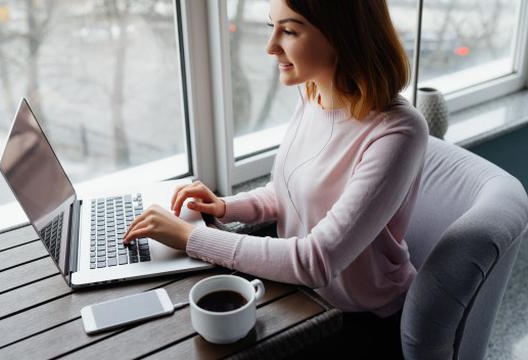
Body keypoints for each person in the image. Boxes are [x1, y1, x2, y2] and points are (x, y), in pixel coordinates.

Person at [124, 0, 428, 357]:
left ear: (341, 36)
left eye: (289, 30)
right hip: (301, 296)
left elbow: (316, 261)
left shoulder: (398, 133)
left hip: (361, 320)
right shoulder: (314, 93)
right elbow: (287, 193)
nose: (270, 47)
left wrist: (191, 237)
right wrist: (224, 207)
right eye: (272, 27)